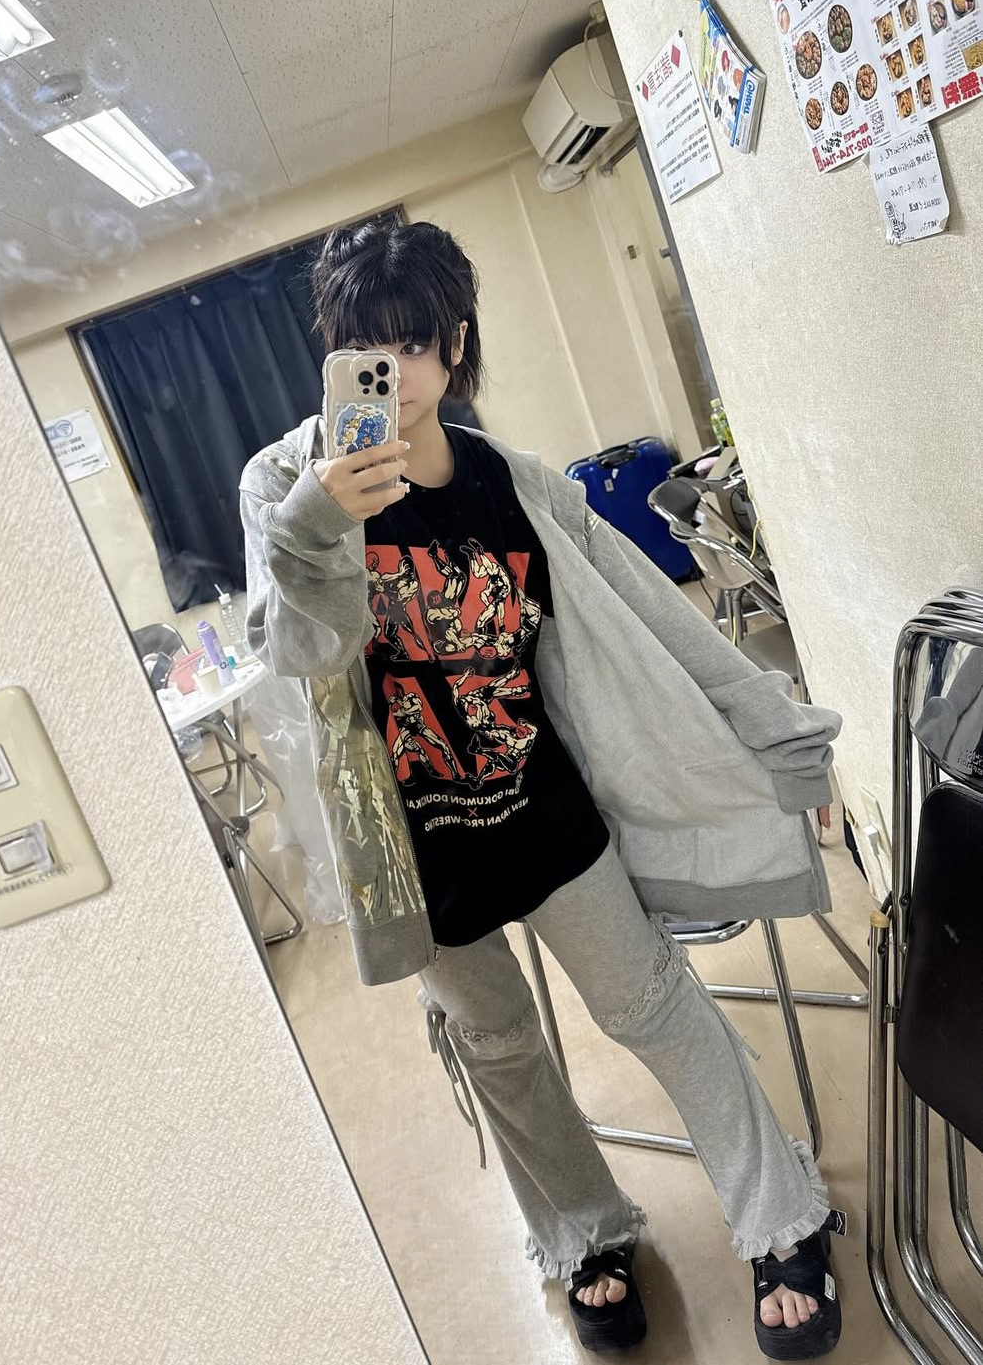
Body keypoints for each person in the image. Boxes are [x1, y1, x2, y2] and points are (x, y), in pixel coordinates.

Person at [240, 214, 845, 1358]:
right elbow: (301, 653)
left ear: (456, 344)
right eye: (366, 348)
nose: (393, 373)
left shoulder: (516, 486)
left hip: (544, 808)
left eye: (413, 343)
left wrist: (780, 731)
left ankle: (784, 1216)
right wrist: (322, 518)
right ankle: (584, 1234)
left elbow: (660, 617)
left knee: (654, 1004)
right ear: (333, 353)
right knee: (502, 1048)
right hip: (413, 848)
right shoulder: (282, 484)